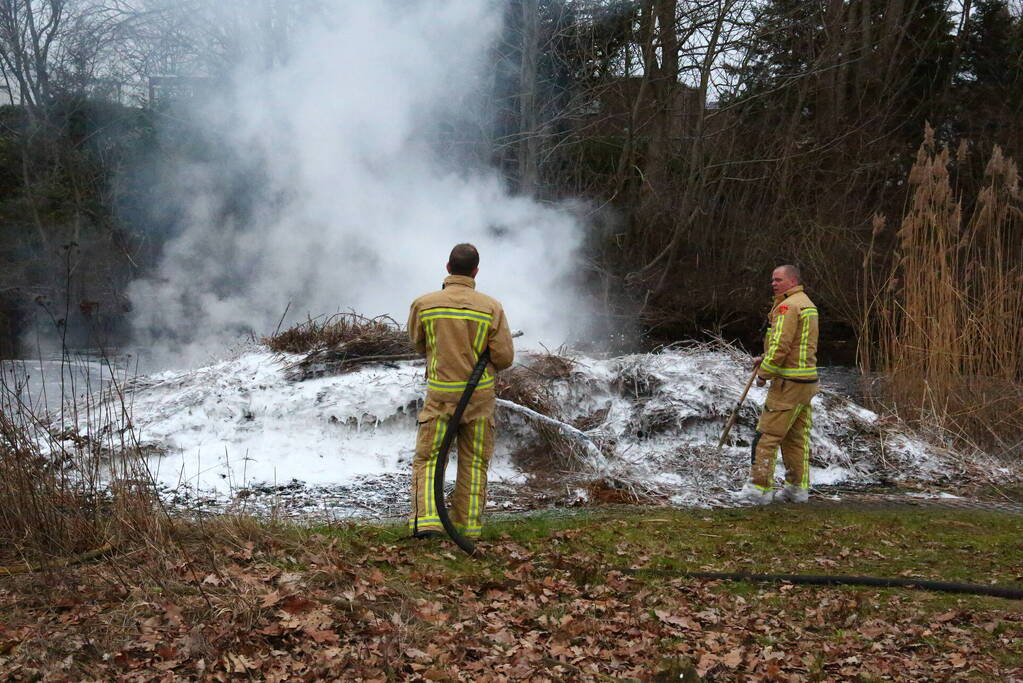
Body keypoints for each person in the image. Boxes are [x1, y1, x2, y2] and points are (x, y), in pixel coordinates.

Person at [406, 243, 515, 539]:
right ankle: (466, 527)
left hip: (440, 396)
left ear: (447, 268)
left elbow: (418, 343)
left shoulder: (424, 304)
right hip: (478, 399)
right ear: (476, 271)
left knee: (429, 458)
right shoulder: (491, 307)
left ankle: (428, 521)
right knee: (473, 462)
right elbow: (504, 358)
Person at [739, 264, 819, 505]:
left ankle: (758, 490)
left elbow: (782, 346)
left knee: (766, 437)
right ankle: (796, 489)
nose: (773, 283)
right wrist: (765, 357)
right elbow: (797, 345)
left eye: (778, 280)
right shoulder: (807, 304)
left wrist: (764, 373)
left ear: (793, 281)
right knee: (795, 439)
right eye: (772, 280)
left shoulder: (787, 306)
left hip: (787, 383)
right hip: (806, 382)